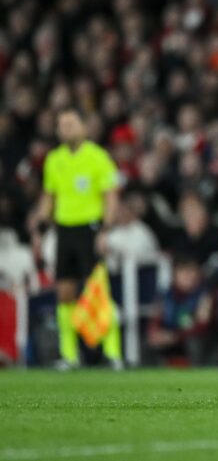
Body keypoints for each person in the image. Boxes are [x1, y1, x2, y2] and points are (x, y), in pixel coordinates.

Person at [31, 109, 122, 369]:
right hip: (65, 230)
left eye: (70, 123)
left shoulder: (97, 157)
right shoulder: (54, 159)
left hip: (90, 229)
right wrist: (39, 226)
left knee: (98, 292)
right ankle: (69, 355)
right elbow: (49, 197)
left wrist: (105, 229)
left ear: (84, 126)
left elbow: (111, 196)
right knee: (64, 292)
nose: (65, 129)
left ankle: (112, 352)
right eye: (61, 124)